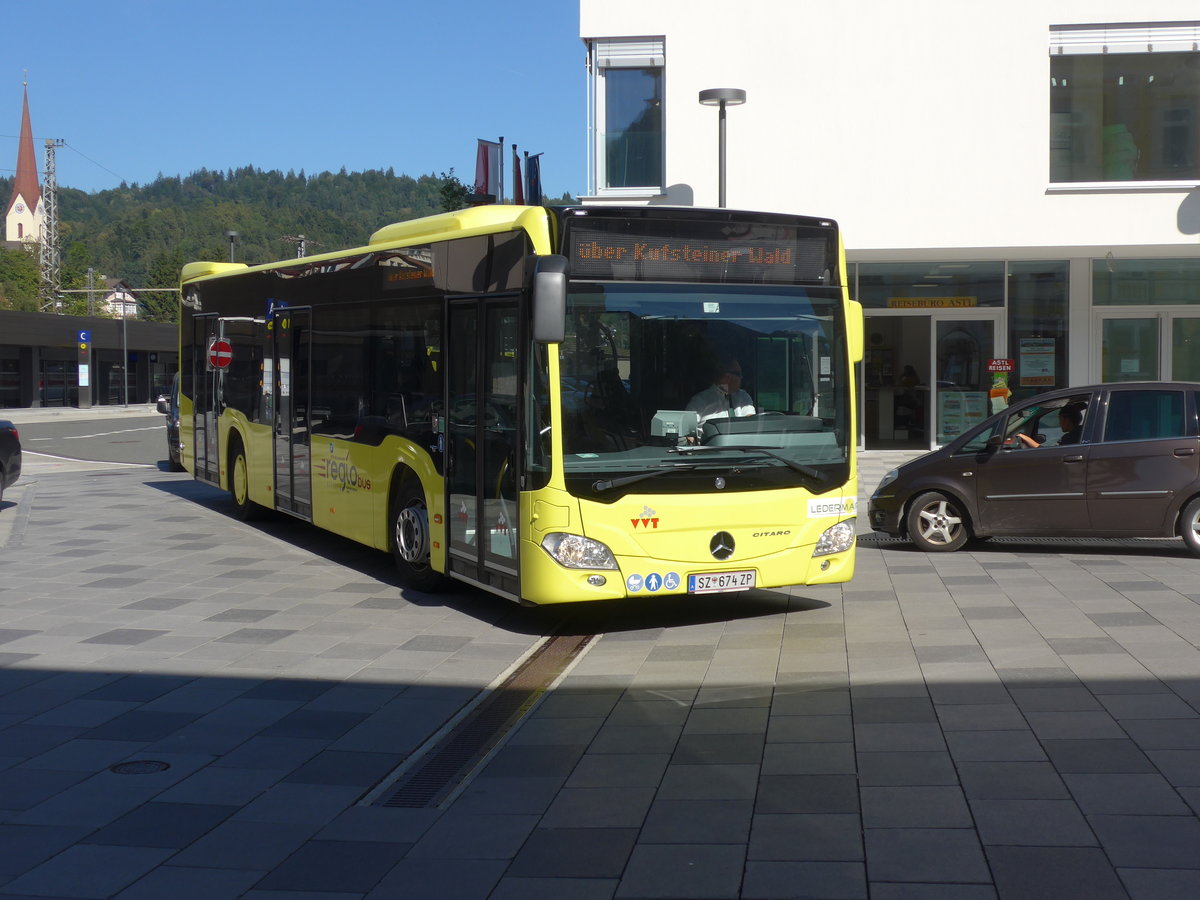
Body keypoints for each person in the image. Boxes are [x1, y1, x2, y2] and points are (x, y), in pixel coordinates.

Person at [687, 355, 755, 424]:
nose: (741, 377)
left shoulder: (743, 396)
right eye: (738, 374)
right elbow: (687, 430)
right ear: (727, 375)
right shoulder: (700, 400)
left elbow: (752, 422)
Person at [1015, 405, 1083, 448]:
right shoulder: (1081, 433)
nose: (1059, 423)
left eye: (1060, 419)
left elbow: (1047, 452)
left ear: (1067, 420)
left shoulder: (1070, 438)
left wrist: (1024, 437)